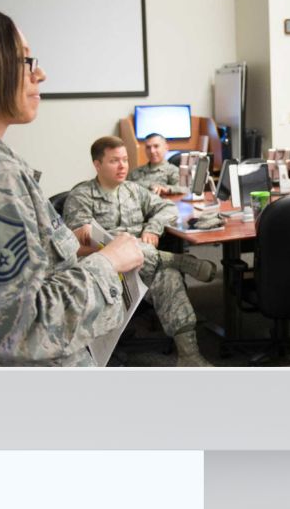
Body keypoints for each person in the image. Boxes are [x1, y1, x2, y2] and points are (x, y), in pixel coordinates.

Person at [0, 8, 144, 367]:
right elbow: (17, 327)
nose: (40, 73)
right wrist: (109, 262)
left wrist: (55, 248)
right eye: (27, 61)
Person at [64, 136, 216, 366]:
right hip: (105, 270)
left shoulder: (134, 190)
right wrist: (123, 247)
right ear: (97, 165)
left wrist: (153, 228)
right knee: (127, 245)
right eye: (114, 161)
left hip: (143, 264)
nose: (123, 166)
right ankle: (178, 260)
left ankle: (189, 355)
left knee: (168, 276)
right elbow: (79, 242)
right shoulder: (82, 195)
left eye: (125, 160)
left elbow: (167, 207)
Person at [128, 132, 187, 196]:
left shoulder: (173, 171)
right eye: (148, 147)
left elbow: (184, 188)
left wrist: (166, 189)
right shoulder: (135, 172)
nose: (152, 151)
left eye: (156, 146)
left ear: (166, 148)